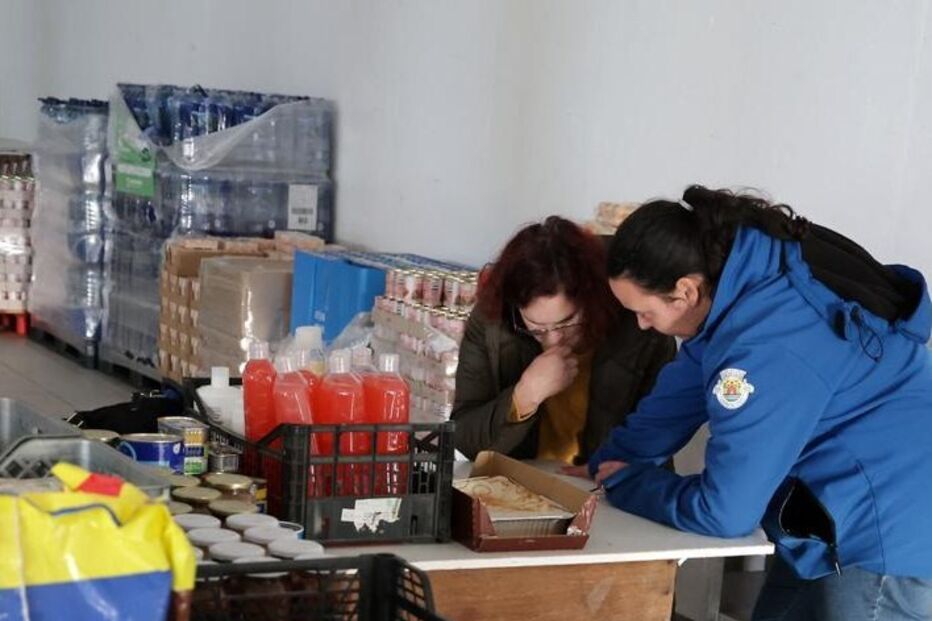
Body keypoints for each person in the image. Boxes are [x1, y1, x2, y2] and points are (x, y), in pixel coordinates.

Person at [579, 185, 932, 619]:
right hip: (826, 522)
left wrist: (628, 482)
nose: (642, 324)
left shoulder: (766, 343)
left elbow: (726, 512)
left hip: (889, 536)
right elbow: (679, 393)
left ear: (686, 291)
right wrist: (606, 462)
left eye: (645, 312)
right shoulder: (741, 289)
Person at [452, 216, 676, 465]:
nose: (554, 338)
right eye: (536, 327)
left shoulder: (637, 316)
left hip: (607, 486)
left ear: (591, 299)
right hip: (519, 486)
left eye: (567, 321)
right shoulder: (492, 318)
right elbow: (463, 437)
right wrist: (524, 396)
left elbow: (660, 431)